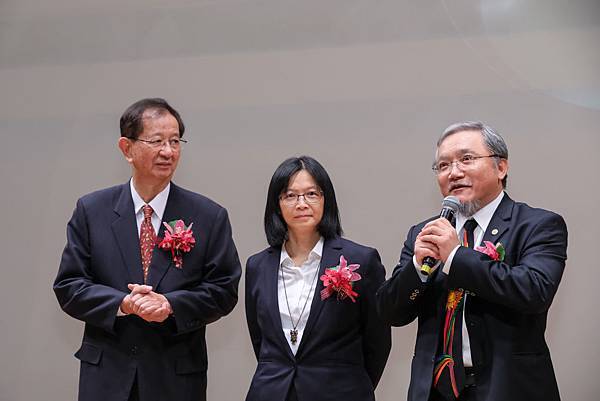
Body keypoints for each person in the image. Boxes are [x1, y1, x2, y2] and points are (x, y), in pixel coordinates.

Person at [54, 98, 241, 401]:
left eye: (175, 141)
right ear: (126, 148)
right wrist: (123, 303)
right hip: (107, 375)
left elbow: (224, 290)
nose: (168, 151)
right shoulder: (92, 211)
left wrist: (170, 305)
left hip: (176, 378)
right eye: (157, 141)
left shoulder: (208, 215)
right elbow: (69, 286)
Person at [376, 122, 568, 401]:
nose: (454, 172)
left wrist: (455, 256)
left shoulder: (537, 225)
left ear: (501, 167)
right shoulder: (424, 233)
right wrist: (417, 268)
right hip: (434, 391)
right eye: (443, 165)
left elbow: (534, 291)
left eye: (467, 159)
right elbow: (390, 312)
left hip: (509, 388)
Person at [245, 156, 391, 401]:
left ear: (326, 200)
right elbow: (260, 341)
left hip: (340, 392)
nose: (301, 204)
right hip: (272, 392)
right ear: (276, 204)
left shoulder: (361, 260)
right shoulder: (258, 266)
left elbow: (377, 342)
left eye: (311, 194)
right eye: (290, 195)